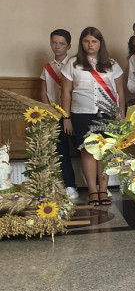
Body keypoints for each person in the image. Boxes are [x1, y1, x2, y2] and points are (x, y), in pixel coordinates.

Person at [60, 27, 126, 207]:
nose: (90, 45)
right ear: (82, 43)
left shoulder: (112, 64)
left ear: (100, 43)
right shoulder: (73, 63)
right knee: (88, 152)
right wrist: (66, 117)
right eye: (86, 41)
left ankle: (103, 190)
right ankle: (92, 191)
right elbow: (66, 92)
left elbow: (120, 92)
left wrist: (121, 114)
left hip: (108, 115)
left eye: (94, 41)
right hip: (81, 114)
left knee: (105, 152)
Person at [40, 28, 77, 199]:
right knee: (61, 151)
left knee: (84, 149)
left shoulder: (75, 64)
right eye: (54, 43)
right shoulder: (48, 67)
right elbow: (44, 91)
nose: (57, 46)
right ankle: (70, 186)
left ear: (68, 46)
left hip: (73, 112)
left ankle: (96, 185)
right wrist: (49, 111)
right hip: (55, 113)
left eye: (61, 43)